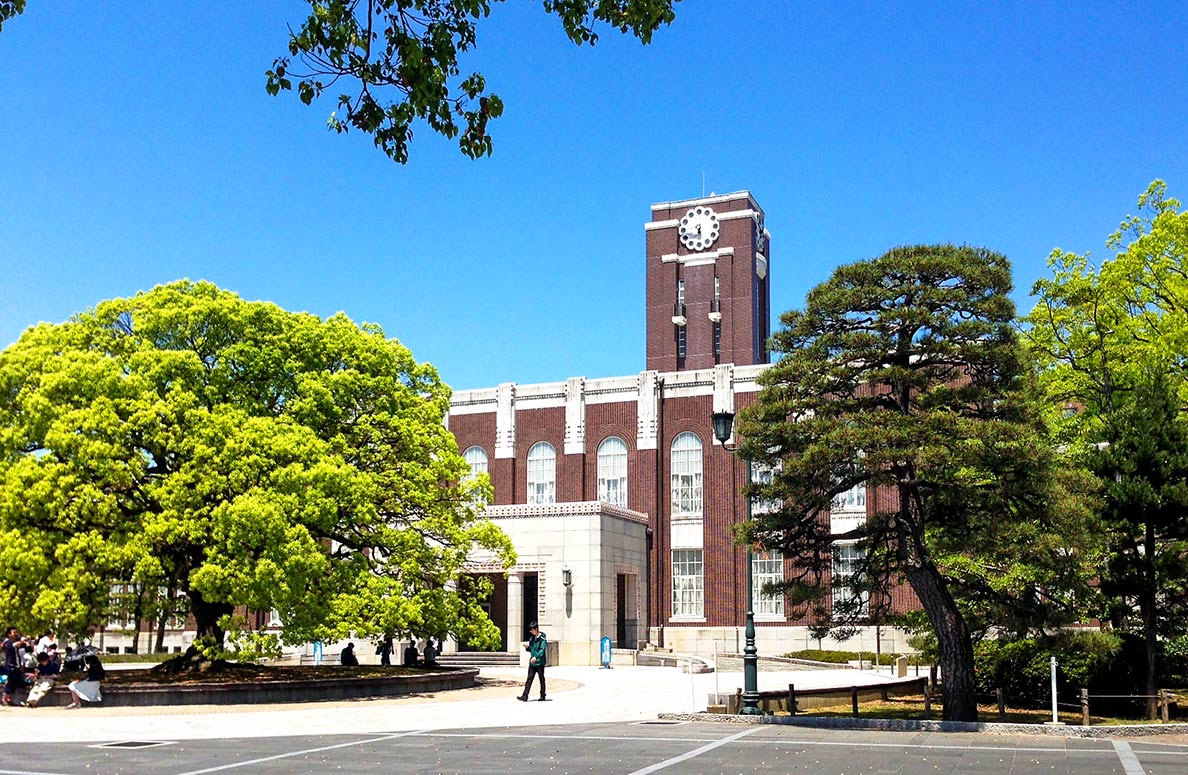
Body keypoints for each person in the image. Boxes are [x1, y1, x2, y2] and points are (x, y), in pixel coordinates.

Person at [517, 622, 547, 702]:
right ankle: (525, 696)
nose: (531, 631)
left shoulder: (542, 639)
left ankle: (542, 695)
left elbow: (542, 650)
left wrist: (536, 657)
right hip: (532, 663)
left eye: (532, 630)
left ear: (536, 629)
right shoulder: (532, 639)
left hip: (540, 662)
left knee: (541, 679)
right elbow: (531, 649)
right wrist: (527, 648)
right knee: (529, 679)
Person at [2, 626, 23, 707]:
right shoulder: (8, 642)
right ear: (9, 634)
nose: (15, 634)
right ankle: (4, 699)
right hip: (11, 666)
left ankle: (9, 699)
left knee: (14, 683)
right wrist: (24, 640)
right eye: (14, 632)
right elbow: (15, 645)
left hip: (15, 666)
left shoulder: (11, 642)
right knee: (10, 683)